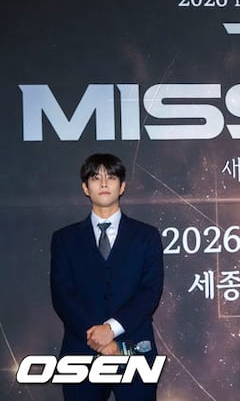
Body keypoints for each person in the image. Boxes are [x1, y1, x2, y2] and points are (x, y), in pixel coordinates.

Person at [50, 153, 164, 400]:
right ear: (85, 188)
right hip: (81, 352)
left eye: (111, 177)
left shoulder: (146, 236)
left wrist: (111, 329)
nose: (103, 183)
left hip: (134, 350)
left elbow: (150, 291)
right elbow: (62, 295)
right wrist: (97, 337)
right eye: (95, 177)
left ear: (122, 187)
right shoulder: (64, 239)